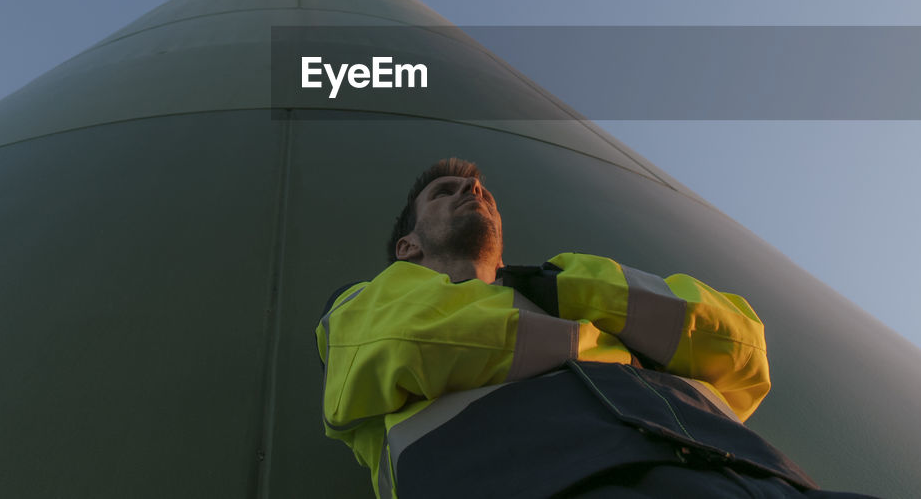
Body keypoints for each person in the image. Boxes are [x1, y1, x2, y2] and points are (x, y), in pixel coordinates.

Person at [317, 158, 879, 499]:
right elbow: (417, 342)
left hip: (752, 476)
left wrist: (565, 288)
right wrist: (596, 336)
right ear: (407, 246)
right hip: (546, 487)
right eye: (446, 193)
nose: (473, 193)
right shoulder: (364, 303)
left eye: (482, 192)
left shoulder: (562, 287)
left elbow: (743, 350)